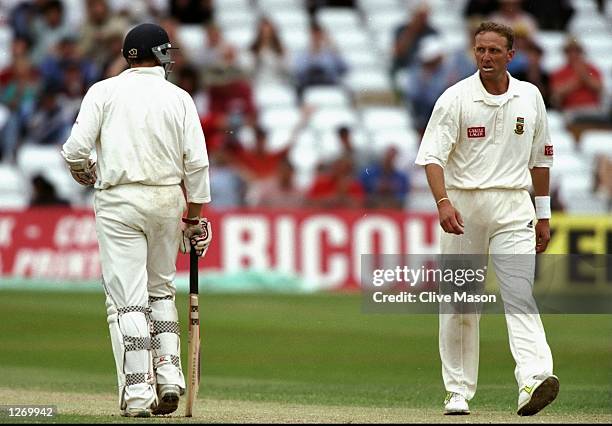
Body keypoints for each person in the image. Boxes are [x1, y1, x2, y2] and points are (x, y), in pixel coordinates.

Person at [60, 23, 212, 418]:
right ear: (157, 54)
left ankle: (139, 393)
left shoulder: (104, 91)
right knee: (161, 291)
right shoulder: (179, 98)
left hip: (119, 200)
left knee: (127, 301)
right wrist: (193, 217)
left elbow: (76, 149)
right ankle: (171, 375)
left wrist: (82, 169)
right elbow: (196, 163)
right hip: (166, 199)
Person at [415, 22, 558, 416]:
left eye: (495, 51)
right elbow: (431, 157)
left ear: (511, 55)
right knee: (461, 301)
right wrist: (443, 202)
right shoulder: (456, 98)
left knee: (519, 294)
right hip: (464, 206)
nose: (486, 57)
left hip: (514, 205)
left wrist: (543, 216)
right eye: (480, 50)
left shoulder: (529, 97)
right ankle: (457, 390)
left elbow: (540, 158)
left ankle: (534, 378)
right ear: (473, 52)